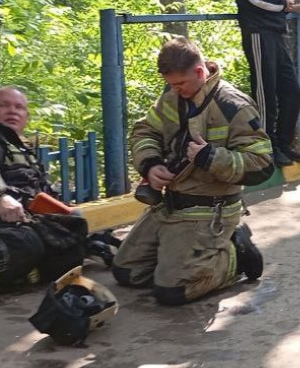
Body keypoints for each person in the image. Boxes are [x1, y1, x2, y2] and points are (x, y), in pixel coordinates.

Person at [111, 38, 272, 305]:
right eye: (171, 84)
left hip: (210, 208)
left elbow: (262, 164)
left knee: (173, 290)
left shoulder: (234, 106)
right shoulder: (172, 95)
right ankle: (188, 256)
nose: (175, 90)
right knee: (127, 272)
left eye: (180, 84)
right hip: (171, 204)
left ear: (200, 72)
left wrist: (210, 157)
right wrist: (150, 164)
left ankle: (235, 254)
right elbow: (145, 130)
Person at [0, 86, 88, 290]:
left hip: (26, 217)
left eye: (19, 107)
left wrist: (65, 211)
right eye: (4, 105)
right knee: (26, 242)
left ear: (26, 116)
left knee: (73, 238)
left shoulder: (21, 146)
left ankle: (15, 276)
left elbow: (42, 188)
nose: (13, 111)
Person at [229, 0, 300, 168]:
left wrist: (281, 3)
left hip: (277, 35)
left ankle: (284, 144)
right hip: (258, 35)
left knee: (292, 91)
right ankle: (266, 148)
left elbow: (279, 0)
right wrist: (282, 3)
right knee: (265, 95)